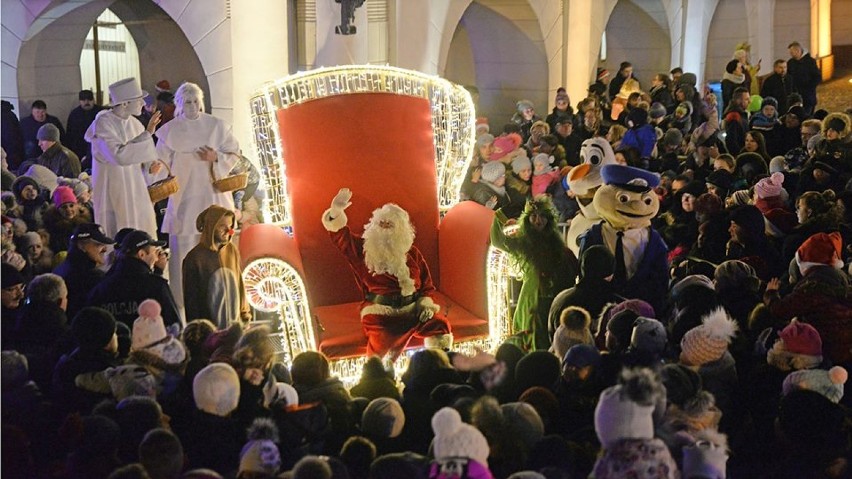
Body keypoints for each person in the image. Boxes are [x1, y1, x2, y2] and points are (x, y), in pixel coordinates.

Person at [321, 189, 453, 358]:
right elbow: (340, 235)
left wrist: (425, 305)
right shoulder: (363, 250)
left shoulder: (412, 254)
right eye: (380, 224)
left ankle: (437, 366)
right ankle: (381, 378)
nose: (383, 229)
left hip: (413, 312)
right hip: (381, 318)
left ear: (401, 230)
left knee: (441, 326)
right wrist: (336, 212)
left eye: (389, 225)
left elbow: (426, 286)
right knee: (381, 351)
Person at [155, 82, 241, 315]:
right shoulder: (170, 130)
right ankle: (183, 305)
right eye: (187, 102)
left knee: (217, 243)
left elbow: (233, 152)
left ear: (201, 102)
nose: (192, 106)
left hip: (212, 194)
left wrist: (216, 157)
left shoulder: (216, 126)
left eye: (195, 101)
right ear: (179, 105)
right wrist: (156, 169)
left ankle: (225, 301)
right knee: (185, 247)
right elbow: (161, 161)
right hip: (184, 198)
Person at [490, 196, 579, 351]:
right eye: (533, 216)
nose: (538, 221)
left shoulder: (556, 244)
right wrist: (500, 214)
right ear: (527, 219)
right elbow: (498, 241)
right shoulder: (523, 241)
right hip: (530, 299)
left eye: (542, 217)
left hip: (551, 298)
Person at [84, 77, 162, 237]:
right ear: (125, 103)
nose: (142, 103)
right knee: (117, 230)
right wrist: (147, 134)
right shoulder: (103, 124)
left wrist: (150, 167)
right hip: (113, 188)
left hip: (135, 188)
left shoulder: (135, 123)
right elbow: (118, 155)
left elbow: (141, 157)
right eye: (138, 100)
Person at [86, 229, 181, 331]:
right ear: (142, 254)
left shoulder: (101, 287)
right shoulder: (156, 286)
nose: (156, 258)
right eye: (154, 252)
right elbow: (174, 326)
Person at [183, 205, 252, 328]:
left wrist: (245, 315)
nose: (229, 231)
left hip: (235, 329)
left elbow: (239, 284)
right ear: (211, 227)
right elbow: (192, 302)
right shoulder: (194, 258)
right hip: (211, 334)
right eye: (222, 227)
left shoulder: (232, 250)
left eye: (230, 226)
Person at [53, 223, 115, 319]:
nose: (105, 249)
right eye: (98, 244)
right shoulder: (91, 277)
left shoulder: (62, 268)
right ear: (81, 245)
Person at [66, 90, 105, 164]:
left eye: (89, 99)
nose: (87, 102)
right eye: (84, 100)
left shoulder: (101, 113)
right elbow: (70, 136)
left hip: (100, 151)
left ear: (93, 100)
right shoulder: (74, 115)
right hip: (80, 151)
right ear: (80, 101)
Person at [786, 41, 821, 116]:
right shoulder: (790, 63)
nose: (791, 54)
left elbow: (817, 77)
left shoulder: (810, 61)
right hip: (796, 95)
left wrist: (810, 87)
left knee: (807, 116)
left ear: (798, 50)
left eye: (792, 52)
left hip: (808, 95)